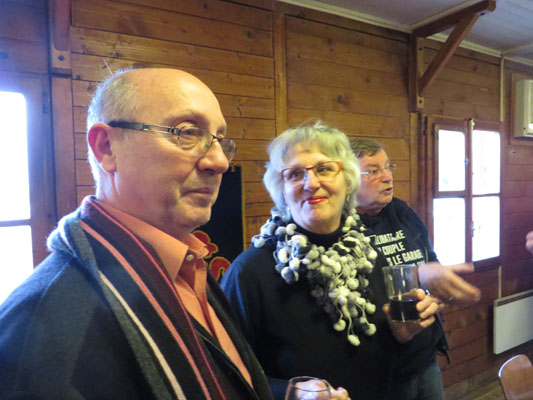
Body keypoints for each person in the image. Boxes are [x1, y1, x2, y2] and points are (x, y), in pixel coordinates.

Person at [0, 68, 273, 399]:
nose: (219, 162)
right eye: (187, 132)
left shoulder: (190, 265)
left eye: (219, 140)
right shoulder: (38, 323)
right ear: (106, 148)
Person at [221, 122, 440, 400]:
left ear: (347, 181)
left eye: (324, 169)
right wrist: (292, 393)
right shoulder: (248, 273)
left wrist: (403, 335)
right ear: (281, 188)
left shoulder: (370, 257)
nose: (311, 183)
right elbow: (225, 375)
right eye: (295, 174)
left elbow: (388, 363)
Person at [350, 138, 482, 399]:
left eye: (388, 167)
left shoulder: (402, 212)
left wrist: (440, 286)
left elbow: (429, 260)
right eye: (373, 171)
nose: (387, 177)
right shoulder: (340, 230)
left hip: (424, 360)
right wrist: (418, 274)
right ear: (347, 180)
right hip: (381, 373)